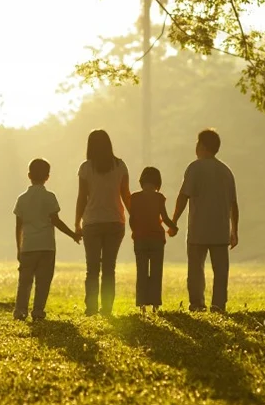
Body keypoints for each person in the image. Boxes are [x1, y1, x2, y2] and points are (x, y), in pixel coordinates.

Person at [171, 129, 239, 313]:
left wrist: (174, 220)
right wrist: (235, 230)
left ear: (201, 146)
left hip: (198, 230)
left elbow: (183, 196)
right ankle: (218, 305)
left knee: (195, 270)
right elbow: (234, 204)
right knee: (221, 271)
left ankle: (197, 304)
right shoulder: (226, 171)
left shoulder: (195, 168)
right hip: (220, 230)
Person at [13, 158, 81, 321]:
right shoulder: (50, 197)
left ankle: (21, 311)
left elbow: (18, 226)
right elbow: (55, 221)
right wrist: (72, 234)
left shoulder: (22, 199)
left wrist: (19, 248)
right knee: (43, 282)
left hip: (28, 246)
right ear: (47, 177)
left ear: (29, 175)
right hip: (46, 246)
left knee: (24, 281)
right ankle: (38, 311)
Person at [75, 129, 131, 316]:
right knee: (109, 268)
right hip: (115, 222)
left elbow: (82, 197)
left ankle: (91, 308)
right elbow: (126, 195)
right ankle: (106, 308)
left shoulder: (86, 168)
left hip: (92, 222)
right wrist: (135, 218)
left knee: (92, 269)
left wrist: (77, 222)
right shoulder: (120, 166)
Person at [129, 167, 178, 313]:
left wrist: (136, 231)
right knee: (156, 272)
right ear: (157, 182)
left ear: (142, 181)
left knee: (141, 271)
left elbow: (132, 219)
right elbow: (165, 218)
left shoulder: (135, 197)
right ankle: (155, 305)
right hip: (157, 239)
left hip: (140, 239)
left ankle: (142, 305)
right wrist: (174, 227)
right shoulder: (159, 197)